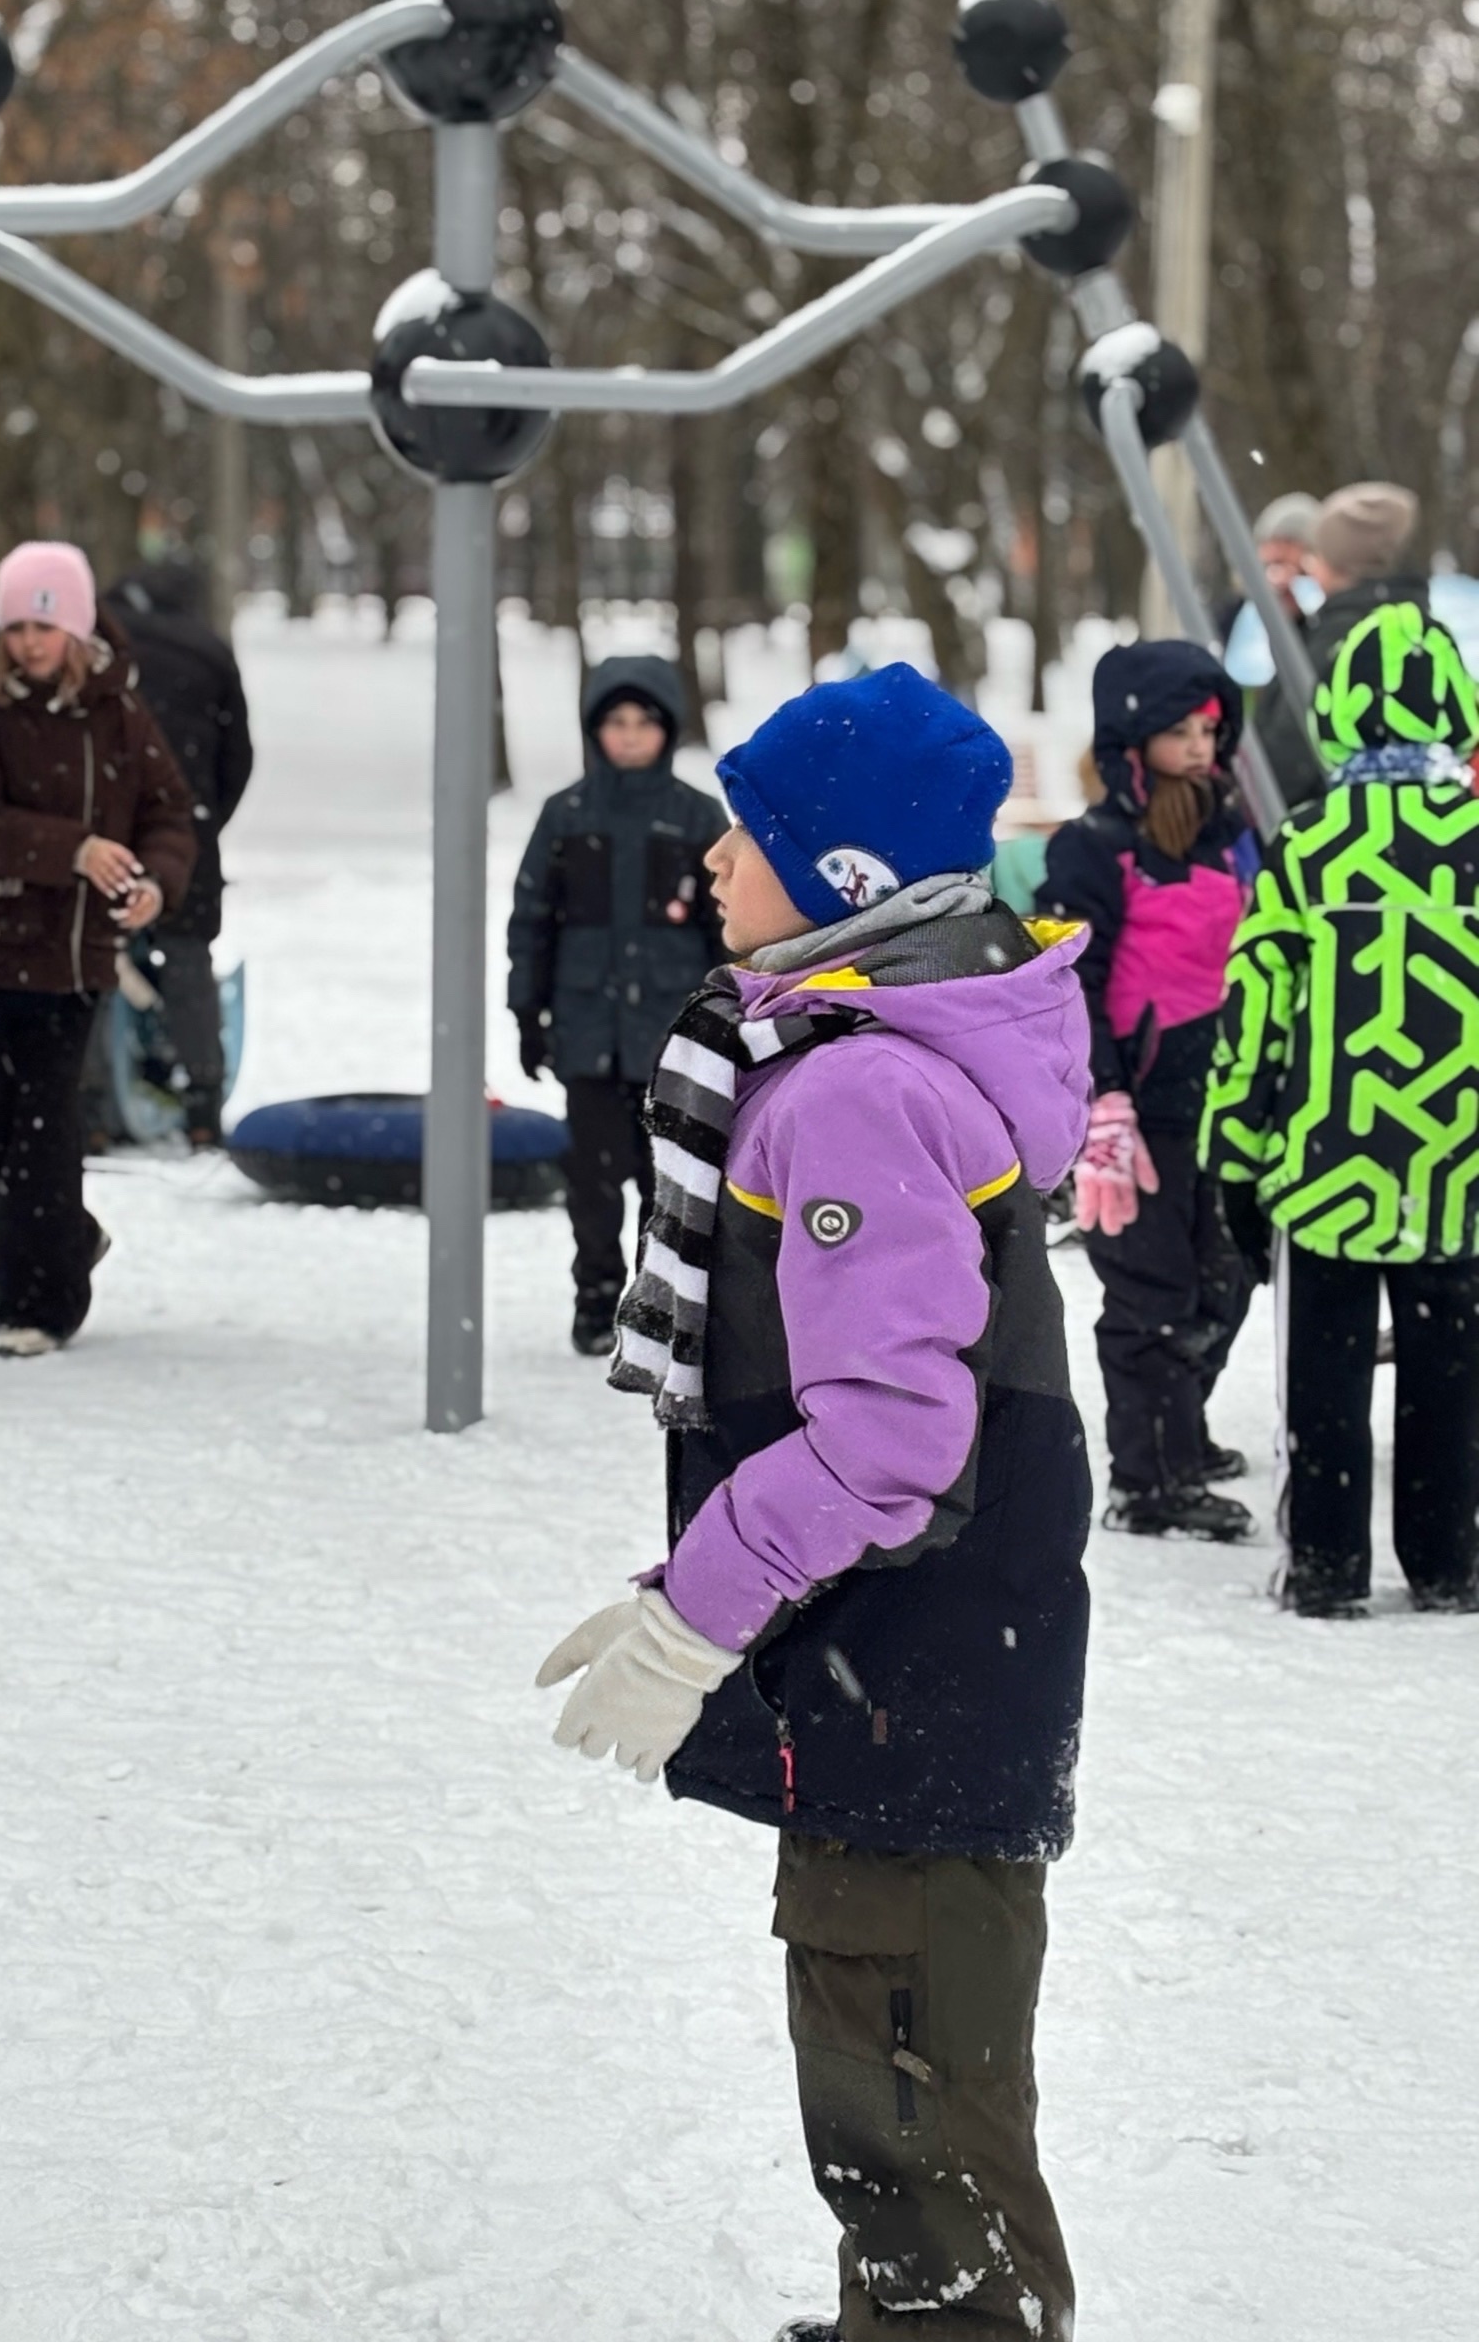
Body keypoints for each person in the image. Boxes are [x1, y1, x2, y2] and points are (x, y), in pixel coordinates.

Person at [538, 665, 1092, 2342]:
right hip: (916, 1659)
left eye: (749, 835)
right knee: (896, 2067)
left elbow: (889, 1439)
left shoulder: (857, 1089)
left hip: (918, 1666)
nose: (712, 859)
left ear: (846, 881)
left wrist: (689, 1620)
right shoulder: (862, 1052)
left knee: (907, 2087)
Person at [1203, 601, 1479, 1617]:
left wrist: (1233, 1158)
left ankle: (1326, 1565)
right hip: (1457, 1167)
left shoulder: (1308, 843)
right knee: (1452, 1378)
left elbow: (1256, 1015)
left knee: (1324, 1378)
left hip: (1327, 1162)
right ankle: (1449, 1560)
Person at [0, 542, 195, 1357]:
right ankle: (66, 1235)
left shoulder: (121, 715)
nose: (28, 644)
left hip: (69, 956)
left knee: (43, 1121)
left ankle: (39, 1305)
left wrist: (157, 884)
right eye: (15, 628)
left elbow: (169, 815)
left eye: (42, 627)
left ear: (76, 629)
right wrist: (72, 848)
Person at [1036, 643, 1256, 1540]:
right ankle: (1150, 1477)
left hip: (1223, 1100)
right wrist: (1102, 1100)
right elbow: (1069, 983)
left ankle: (1180, 1435)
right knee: (1151, 1296)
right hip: (1134, 1109)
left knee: (1226, 1281)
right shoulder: (1095, 848)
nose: (1200, 746)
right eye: (1179, 730)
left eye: (1209, 728)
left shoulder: (1234, 835)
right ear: (1134, 740)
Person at [506, 655, 724, 1356]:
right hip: (588, 1031)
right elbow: (532, 922)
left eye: (644, 723)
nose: (630, 736)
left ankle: (657, 1310)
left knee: (668, 1184)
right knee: (593, 1182)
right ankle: (595, 1299)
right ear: (595, 730)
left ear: (669, 730)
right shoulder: (566, 816)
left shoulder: (696, 817)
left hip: (671, 1038)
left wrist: (729, 1021)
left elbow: (727, 931)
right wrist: (527, 1012)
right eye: (616, 722)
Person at [95, 561, 253, 1148]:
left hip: (101, 827)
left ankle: (90, 1109)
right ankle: (203, 1102)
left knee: (93, 958)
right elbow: (238, 757)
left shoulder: (96, 644)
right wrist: (202, 822)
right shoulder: (208, 650)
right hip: (188, 828)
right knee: (187, 959)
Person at [1251, 481, 1425, 811]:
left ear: (1337, 564)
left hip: (1331, 816)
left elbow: (1296, 735)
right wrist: (1294, 626)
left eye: (1315, 555)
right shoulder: (1397, 618)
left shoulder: (1345, 631)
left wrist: (1252, 799)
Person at [1213, 489, 1321, 651]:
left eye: (1287, 542)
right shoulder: (1239, 608)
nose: (1275, 553)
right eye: (1272, 543)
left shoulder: (1326, 601)